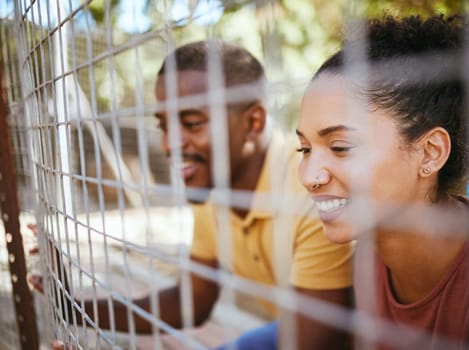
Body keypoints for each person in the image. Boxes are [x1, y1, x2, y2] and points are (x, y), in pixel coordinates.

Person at [30, 39, 355, 350]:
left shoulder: (312, 190)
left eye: (193, 123)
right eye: (165, 126)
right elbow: (192, 301)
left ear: (253, 122)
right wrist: (71, 306)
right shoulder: (213, 182)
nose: (171, 144)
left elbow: (317, 342)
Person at [295, 14, 469, 350]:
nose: (309, 177)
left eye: (341, 147)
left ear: (430, 152)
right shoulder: (368, 257)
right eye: (304, 149)